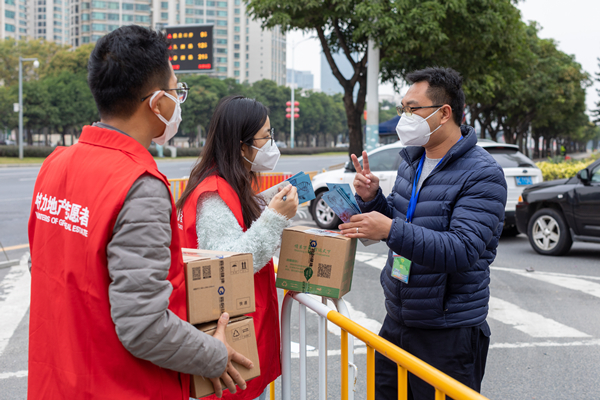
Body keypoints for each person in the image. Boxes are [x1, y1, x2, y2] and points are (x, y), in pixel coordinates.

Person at [27, 26, 252, 400]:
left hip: (58, 381)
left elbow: (49, 268)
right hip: (118, 385)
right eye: (177, 91)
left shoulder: (55, 163)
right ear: (157, 103)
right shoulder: (139, 185)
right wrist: (214, 356)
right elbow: (143, 325)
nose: (178, 103)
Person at [339, 67, 507, 399]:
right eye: (403, 108)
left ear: (445, 113)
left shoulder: (482, 173)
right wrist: (373, 199)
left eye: (413, 109)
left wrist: (390, 229)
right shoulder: (412, 161)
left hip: (448, 331)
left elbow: (462, 249)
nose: (405, 117)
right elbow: (406, 222)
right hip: (398, 319)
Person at [177, 95, 299, 400]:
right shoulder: (214, 194)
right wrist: (273, 218)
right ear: (241, 145)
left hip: (236, 332)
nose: (271, 144)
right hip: (227, 338)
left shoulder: (230, 183)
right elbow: (229, 264)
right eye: (266, 136)